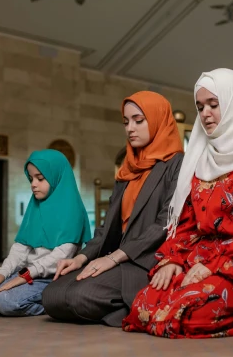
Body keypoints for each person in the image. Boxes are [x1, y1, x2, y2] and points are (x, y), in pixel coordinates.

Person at [122, 69, 233, 338]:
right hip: (199, 258)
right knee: (144, 305)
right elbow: (187, 222)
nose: (205, 114)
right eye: (200, 107)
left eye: (214, 104)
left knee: (191, 312)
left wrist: (213, 266)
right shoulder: (201, 159)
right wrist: (173, 260)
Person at [42, 91, 184, 326]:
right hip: (115, 259)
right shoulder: (128, 169)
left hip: (146, 260)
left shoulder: (176, 164)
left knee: (78, 297)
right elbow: (108, 226)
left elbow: (165, 222)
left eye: (139, 120)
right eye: (126, 122)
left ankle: (143, 302)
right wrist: (81, 258)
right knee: (51, 295)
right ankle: (129, 302)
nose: (130, 128)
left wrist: (115, 258)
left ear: (158, 120)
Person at [0, 150, 91, 316]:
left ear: (56, 177)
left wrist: (25, 275)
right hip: (27, 273)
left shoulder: (72, 209)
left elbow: (60, 257)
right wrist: (2, 273)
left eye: (40, 178)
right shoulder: (35, 206)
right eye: (31, 179)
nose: (33, 184)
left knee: (5, 302)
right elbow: (20, 249)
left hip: (52, 278)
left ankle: (54, 306)